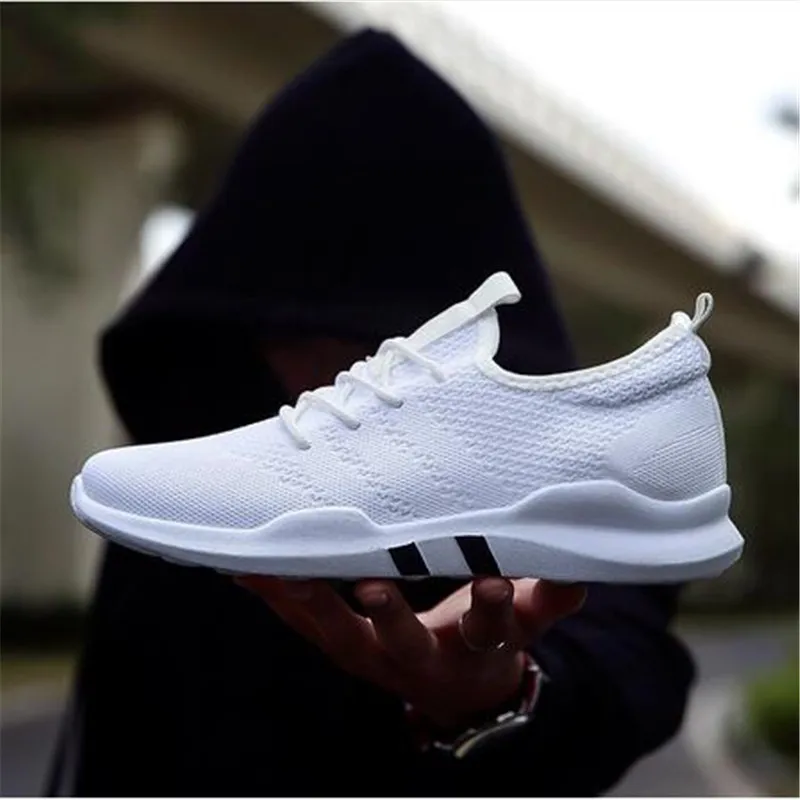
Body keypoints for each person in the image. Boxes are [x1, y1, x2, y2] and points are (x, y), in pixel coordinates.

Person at [49, 31, 694, 797]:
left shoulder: (566, 475)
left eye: (387, 353)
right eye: (296, 335)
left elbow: (626, 662)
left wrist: (497, 694)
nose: (336, 389)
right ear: (236, 322)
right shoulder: (188, 484)